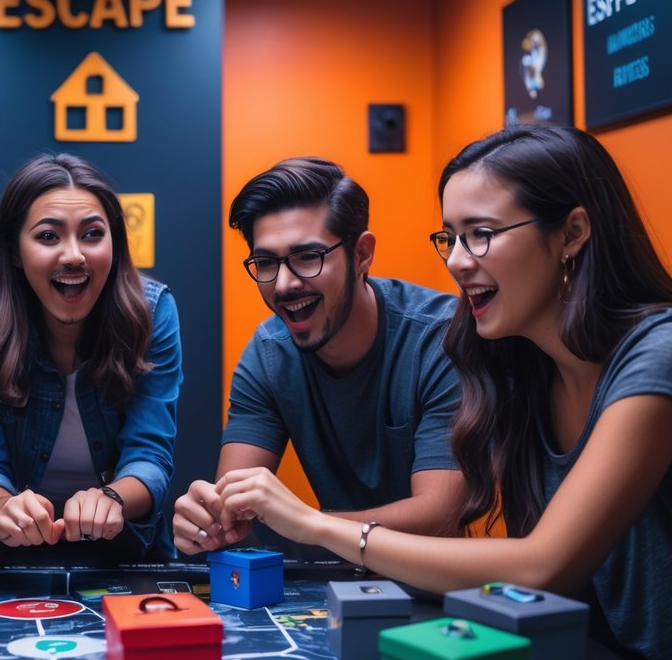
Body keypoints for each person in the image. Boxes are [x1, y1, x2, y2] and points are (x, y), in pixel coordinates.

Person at [212, 126, 672, 660]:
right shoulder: (518, 365)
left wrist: (314, 524)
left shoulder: (668, 349)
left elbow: (543, 564)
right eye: (450, 239)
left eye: (482, 235)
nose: (457, 263)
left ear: (571, 233)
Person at [174, 158, 466, 556]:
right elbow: (232, 508)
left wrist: (307, 523)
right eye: (265, 263)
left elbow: (440, 516)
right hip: (333, 588)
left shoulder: (441, 339)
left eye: (308, 257)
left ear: (362, 254)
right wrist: (209, 522)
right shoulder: (268, 356)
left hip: (443, 586)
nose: (284, 283)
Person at [0, 153, 182, 564]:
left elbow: (150, 455)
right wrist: (3, 507)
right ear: (16, 252)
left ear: (114, 243)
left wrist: (111, 498)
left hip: (127, 554)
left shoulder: (152, 312)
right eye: (48, 237)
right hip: (10, 559)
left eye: (92, 234)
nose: (74, 255)